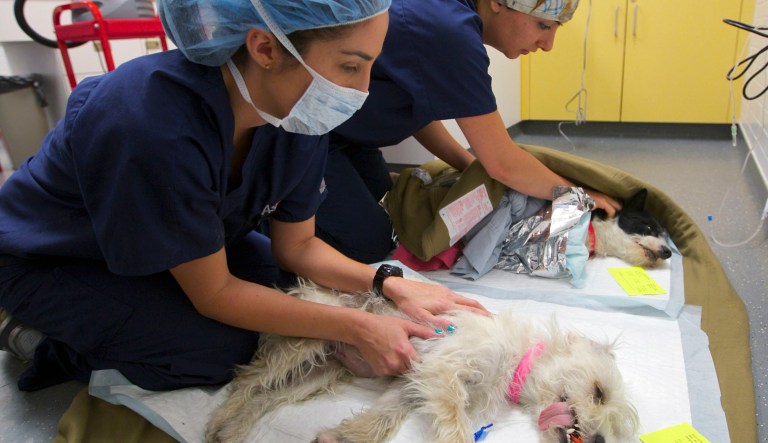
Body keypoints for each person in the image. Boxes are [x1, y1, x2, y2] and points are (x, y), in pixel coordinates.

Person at [0, 0, 487, 392]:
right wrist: (353, 328)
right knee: (216, 349)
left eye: (369, 69)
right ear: (265, 48)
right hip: (53, 258)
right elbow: (215, 295)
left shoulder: (295, 113)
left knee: (285, 287)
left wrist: (388, 282)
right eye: (349, 66)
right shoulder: (150, 122)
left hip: (177, 241)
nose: (360, 91)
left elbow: (297, 247)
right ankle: (34, 337)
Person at [314, 0, 624, 264]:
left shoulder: (448, 18)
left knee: (394, 212)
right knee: (370, 245)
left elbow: (422, 111)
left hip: (351, 138)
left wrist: (469, 166)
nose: (548, 44)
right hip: (311, 135)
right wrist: (578, 197)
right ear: (498, 3)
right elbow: (502, 161)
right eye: (543, 25)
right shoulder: (450, 33)